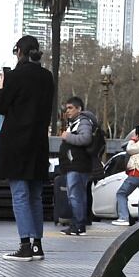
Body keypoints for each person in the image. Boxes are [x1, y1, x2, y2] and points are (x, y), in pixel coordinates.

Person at [0, 34, 54, 261]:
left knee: (19, 194)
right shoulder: (47, 77)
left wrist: (2, 86)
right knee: (35, 196)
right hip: (38, 143)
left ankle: (24, 245)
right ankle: (37, 245)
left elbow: (1, 106)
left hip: (17, 142)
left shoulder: (15, 76)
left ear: (19, 51)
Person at [57, 96, 100, 235]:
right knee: (77, 195)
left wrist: (67, 137)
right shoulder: (75, 122)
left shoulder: (83, 122)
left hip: (78, 166)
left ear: (79, 109)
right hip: (75, 165)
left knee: (75, 196)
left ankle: (79, 225)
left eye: (70, 108)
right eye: (66, 108)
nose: (67, 111)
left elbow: (86, 138)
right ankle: (78, 224)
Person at [112, 125, 139, 226]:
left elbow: (129, 149)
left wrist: (133, 140)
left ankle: (124, 217)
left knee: (121, 193)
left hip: (137, 172)